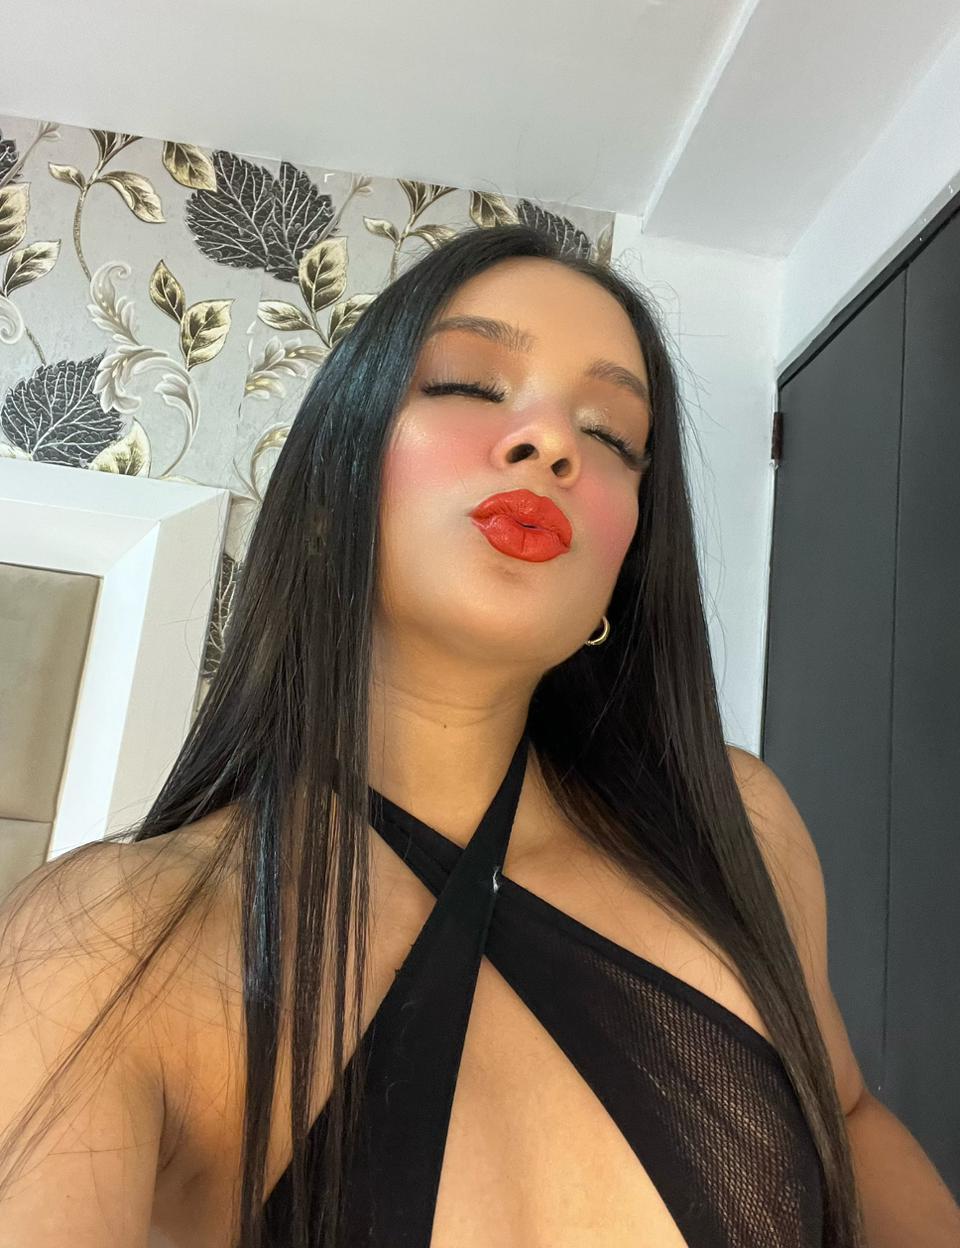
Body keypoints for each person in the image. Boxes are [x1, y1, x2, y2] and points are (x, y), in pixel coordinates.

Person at [0, 222, 869, 1247]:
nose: (551, 443)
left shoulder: (735, 825)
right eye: (467, 384)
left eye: (609, 434)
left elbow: (853, 1120)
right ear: (332, 484)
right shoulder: (111, 944)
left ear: (624, 567)